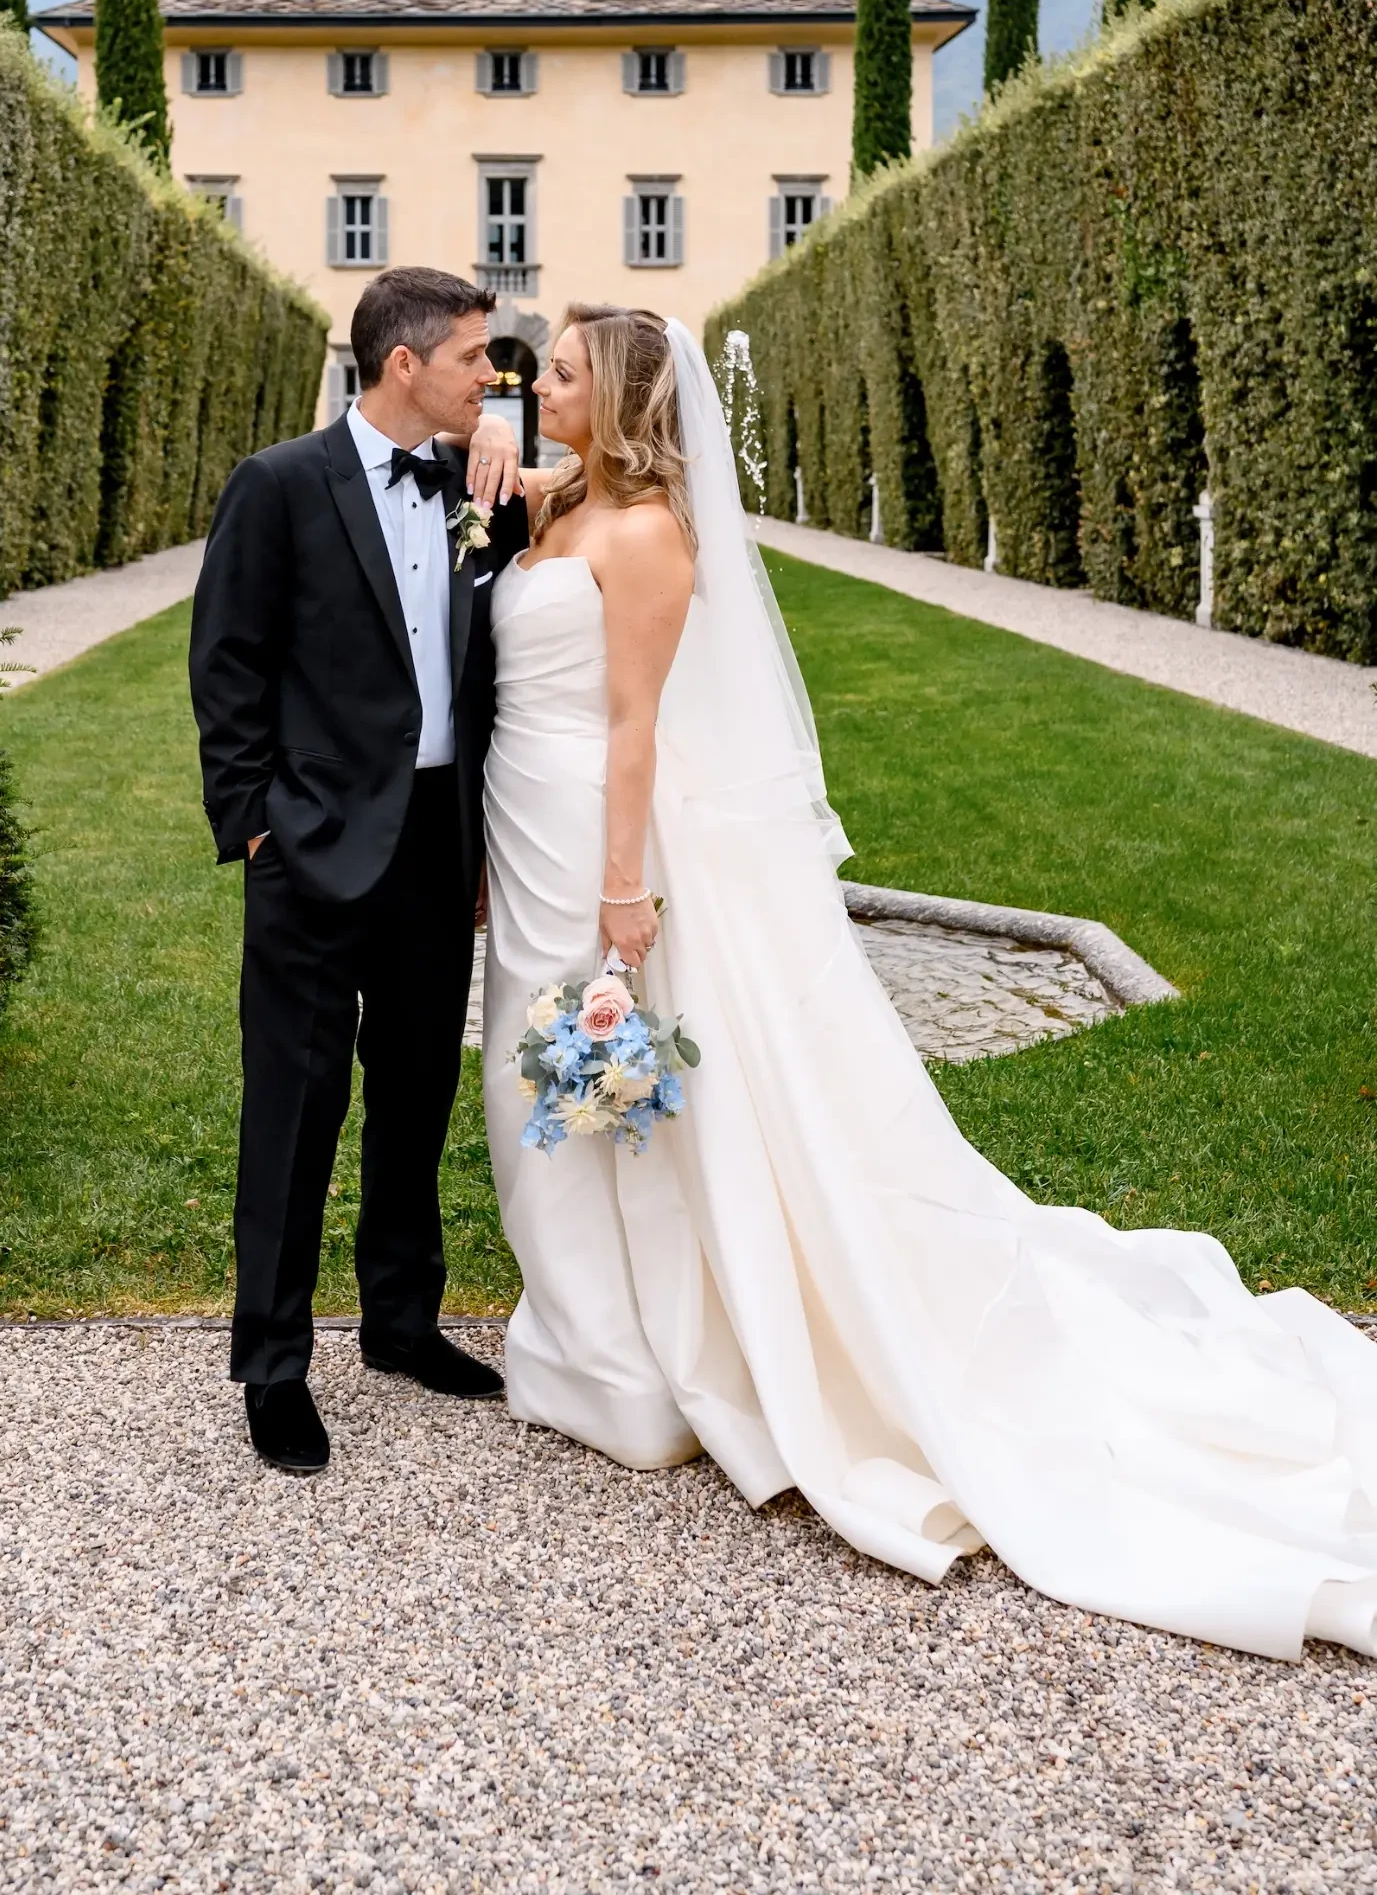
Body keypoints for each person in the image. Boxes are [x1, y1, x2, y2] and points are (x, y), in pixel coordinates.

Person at [480, 303, 1377, 1661]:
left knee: (589, 1076)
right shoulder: (553, 503)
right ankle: (588, 1332)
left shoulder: (651, 535)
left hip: (593, 836)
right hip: (515, 813)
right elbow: (509, 510)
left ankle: (628, 1362)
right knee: (546, 1073)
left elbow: (634, 729)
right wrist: (500, 455)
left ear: (612, 398)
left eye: (555, 373)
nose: (531, 380)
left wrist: (621, 891)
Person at [190, 266, 526, 1475]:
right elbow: (226, 662)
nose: (491, 374)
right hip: (312, 843)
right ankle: (273, 1365)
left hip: (438, 842)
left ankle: (399, 1321)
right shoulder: (279, 485)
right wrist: (256, 824)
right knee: (294, 1104)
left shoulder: (471, 483)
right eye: (475, 357)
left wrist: (495, 442)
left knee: (416, 1091)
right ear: (404, 362)